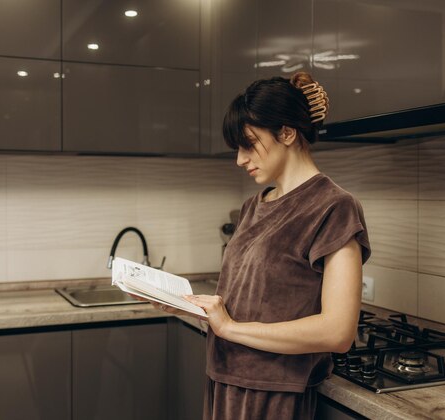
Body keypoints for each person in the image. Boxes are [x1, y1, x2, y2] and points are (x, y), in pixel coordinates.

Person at [154, 72, 371, 419]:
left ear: (286, 133)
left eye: (248, 143)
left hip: (275, 394)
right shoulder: (253, 205)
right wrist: (195, 307)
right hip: (225, 381)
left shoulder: (334, 206)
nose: (240, 159)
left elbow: (338, 332)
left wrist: (230, 328)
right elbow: (250, 299)